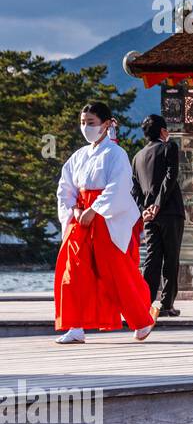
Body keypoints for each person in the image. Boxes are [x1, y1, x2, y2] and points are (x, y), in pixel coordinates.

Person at [54, 103, 155, 344]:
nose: (86, 127)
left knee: (116, 274)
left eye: (91, 122)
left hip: (106, 220)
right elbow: (65, 187)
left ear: (107, 124)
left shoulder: (116, 154)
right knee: (72, 270)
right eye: (83, 122)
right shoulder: (78, 156)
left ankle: (143, 320)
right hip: (80, 218)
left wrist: (95, 209)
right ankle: (75, 326)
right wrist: (75, 209)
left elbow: (119, 186)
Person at [132, 113, 184, 317]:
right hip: (170, 211)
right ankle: (166, 304)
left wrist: (144, 209)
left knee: (152, 260)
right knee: (171, 258)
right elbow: (170, 177)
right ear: (163, 131)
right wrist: (159, 204)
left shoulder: (137, 157)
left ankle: (145, 302)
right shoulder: (169, 147)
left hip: (149, 217)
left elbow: (134, 188)